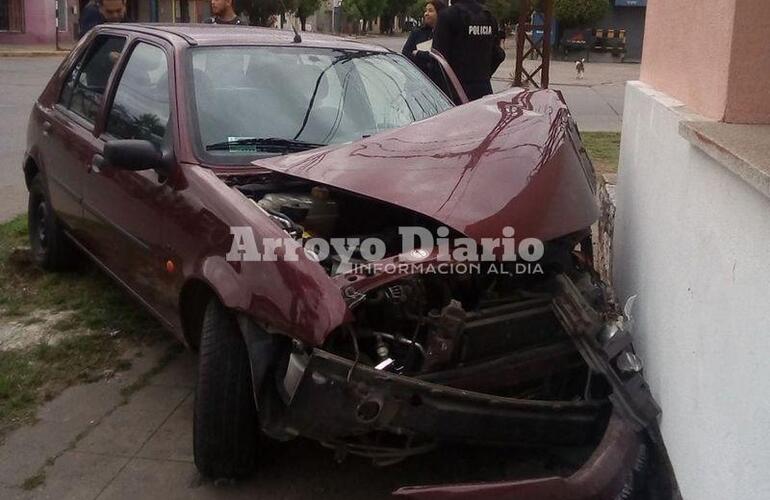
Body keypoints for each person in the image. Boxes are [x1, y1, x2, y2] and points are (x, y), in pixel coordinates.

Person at [432, 0, 505, 101]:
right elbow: (498, 54)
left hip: (454, 92)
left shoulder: (447, 16)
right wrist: (484, 76)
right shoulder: (488, 16)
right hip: (484, 90)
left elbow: (438, 58)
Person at [402, 1, 446, 87]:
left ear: (440, 13)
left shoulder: (445, 35)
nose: (426, 13)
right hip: (416, 83)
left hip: (438, 86)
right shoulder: (417, 33)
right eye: (426, 11)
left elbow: (440, 59)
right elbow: (405, 54)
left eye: (430, 11)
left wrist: (419, 54)